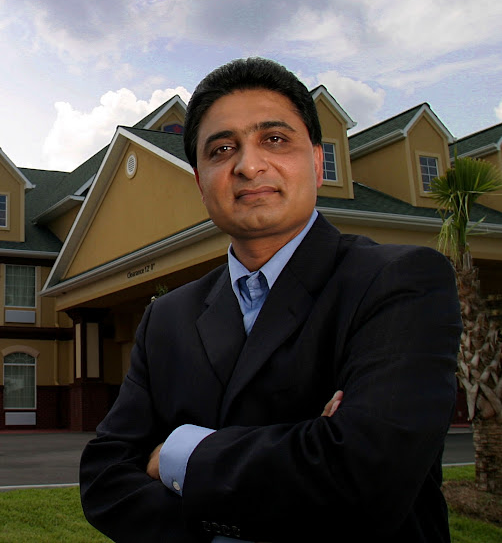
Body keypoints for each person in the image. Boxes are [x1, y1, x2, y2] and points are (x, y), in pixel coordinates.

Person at [80, 58, 462, 542]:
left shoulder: (399, 282)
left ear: (318, 163)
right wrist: (306, 449)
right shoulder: (167, 317)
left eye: (275, 139)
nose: (248, 165)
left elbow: (367, 475)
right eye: (222, 150)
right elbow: (104, 479)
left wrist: (176, 454)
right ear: (200, 182)